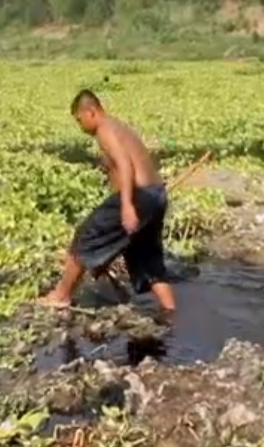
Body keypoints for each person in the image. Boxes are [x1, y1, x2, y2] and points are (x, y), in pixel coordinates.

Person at [37, 89, 176, 312]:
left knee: (84, 236)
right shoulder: (118, 127)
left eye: (79, 120)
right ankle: (170, 311)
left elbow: (125, 165)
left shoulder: (105, 129)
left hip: (139, 196)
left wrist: (127, 206)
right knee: (146, 258)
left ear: (91, 112)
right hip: (155, 195)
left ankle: (61, 296)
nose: (81, 127)